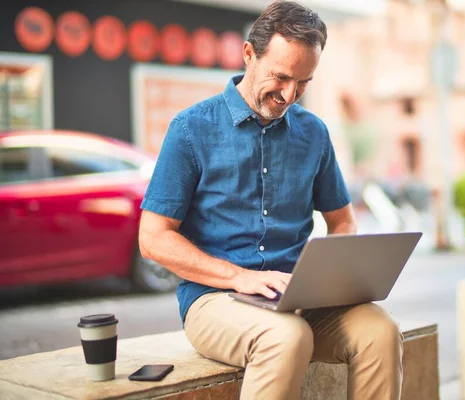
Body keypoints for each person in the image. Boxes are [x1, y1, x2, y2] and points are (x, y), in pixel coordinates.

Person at [138, 1, 403, 399]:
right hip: (216, 300)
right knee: (287, 335)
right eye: (280, 77)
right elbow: (153, 238)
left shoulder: (314, 134)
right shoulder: (191, 129)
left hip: (299, 299)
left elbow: (343, 221)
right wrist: (239, 277)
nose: (290, 94)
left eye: (304, 82)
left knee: (380, 331)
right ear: (249, 55)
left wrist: (333, 280)